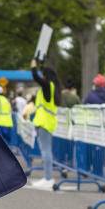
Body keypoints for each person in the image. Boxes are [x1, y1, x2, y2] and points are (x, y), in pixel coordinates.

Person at [29, 59, 59, 189]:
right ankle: (48, 177)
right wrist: (41, 65)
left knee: (46, 151)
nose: (41, 76)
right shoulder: (50, 88)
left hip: (45, 123)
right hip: (46, 123)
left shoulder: (48, 86)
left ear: (45, 76)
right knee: (46, 151)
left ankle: (48, 178)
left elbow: (36, 77)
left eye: (43, 74)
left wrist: (34, 67)